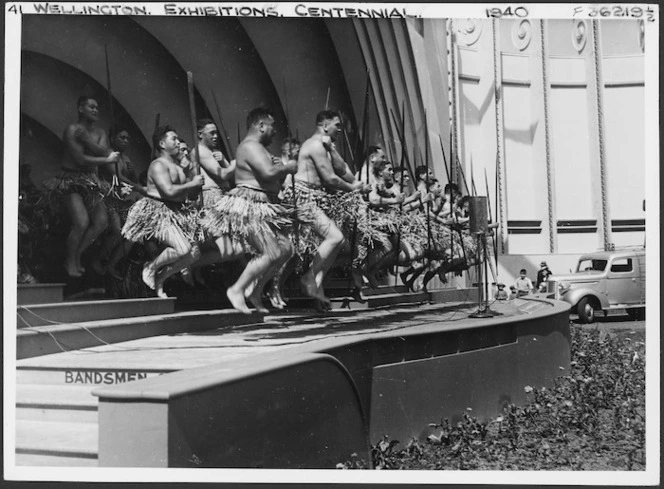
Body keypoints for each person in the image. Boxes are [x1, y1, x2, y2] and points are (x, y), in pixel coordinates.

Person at [200, 107, 297, 314]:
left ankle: (256, 290)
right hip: (250, 205)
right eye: (272, 127)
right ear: (261, 125)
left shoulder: (261, 148)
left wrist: (279, 166)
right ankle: (237, 289)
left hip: (266, 205)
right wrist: (286, 167)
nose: (275, 132)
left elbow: (269, 173)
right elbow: (268, 173)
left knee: (286, 248)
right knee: (270, 252)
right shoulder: (250, 146)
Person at [288, 110, 371, 308]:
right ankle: (309, 279)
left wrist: (358, 183)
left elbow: (341, 169)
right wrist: (353, 188)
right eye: (337, 125)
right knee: (335, 238)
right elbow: (330, 178)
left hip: (315, 199)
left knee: (339, 243)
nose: (340, 130)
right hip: (303, 198)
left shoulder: (324, 146)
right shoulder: (315, 145)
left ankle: (315, 283)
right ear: (325, 126)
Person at [121, 125, 204, 298]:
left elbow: (193, 195)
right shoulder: (158, 165)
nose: (177, 141)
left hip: (177, 211)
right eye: (173, 138)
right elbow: (168, 191)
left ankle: (161, 278)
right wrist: (191, 184)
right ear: (162, 143)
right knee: (183, 249)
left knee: (194, 254)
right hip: (158, 211)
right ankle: (150, 267)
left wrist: (194, 176)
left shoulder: (180, 166)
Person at [53, 95, 120, 277]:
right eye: (91, 106)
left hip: (91, 182)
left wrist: (87, 142)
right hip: (71, 180)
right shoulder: (72, 129)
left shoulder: (100, 133)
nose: (95, 110)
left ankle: (76, 255)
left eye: (97, 107)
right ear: (80, 109)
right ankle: (71, 260)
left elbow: (105, 151)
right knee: (81, 222)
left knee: (101, 223)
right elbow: (81, 159)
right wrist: (106, 157)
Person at [95, 124, 147, 278]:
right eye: (122, 137)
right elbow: (116, 178)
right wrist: (138, 187)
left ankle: (111, 264)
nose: (125, 141)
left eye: (127, 138)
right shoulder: (109, 154)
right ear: (112, 139)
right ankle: (98, 260)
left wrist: (133, 174)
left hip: (121, 201)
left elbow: (133, 180)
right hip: (107, 198)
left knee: (132, 234)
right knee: (117, 231)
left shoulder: (126, 159)